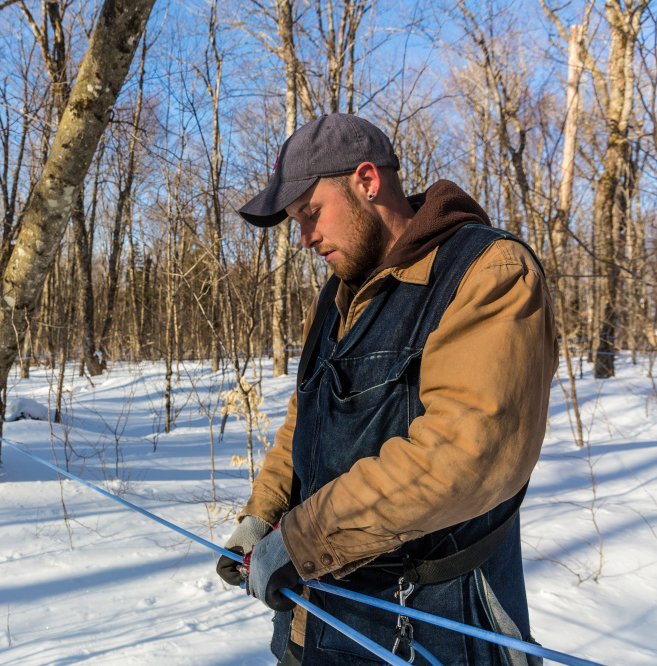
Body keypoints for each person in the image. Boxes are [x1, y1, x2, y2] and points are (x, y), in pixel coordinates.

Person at [216, 114, 558, 666]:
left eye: (310, 213)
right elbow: (306, 421)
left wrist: (301, 541)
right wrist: (262, 517)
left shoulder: (487, 273)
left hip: (437, 627)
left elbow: (463, 454)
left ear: (368, 181)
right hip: (314, 621)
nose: (305, 238)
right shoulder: (336, 297)